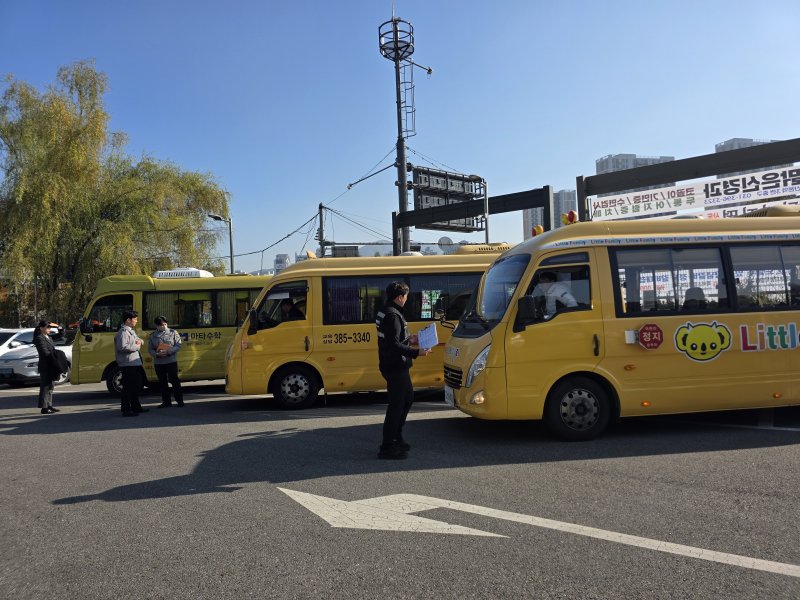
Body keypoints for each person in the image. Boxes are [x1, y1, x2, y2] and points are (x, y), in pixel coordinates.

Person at [376, 281, 431, 460]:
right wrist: (417, 352)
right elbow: (393, 345)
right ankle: (387, 446)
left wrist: (411, 339)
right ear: (400, 297)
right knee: (396, 406)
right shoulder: (393, 316)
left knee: (407, 399)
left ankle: (396, 437)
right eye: (406, 296)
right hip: (395, 366)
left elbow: (395, 339)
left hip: (395, 365)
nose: (407, 299)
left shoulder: (386, 311)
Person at [114, 310, 148, 417]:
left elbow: (139, 340)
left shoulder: (131, 331)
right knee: (128, 388)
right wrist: (137, 346)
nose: (136, 321)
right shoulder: (123, 332)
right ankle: (126, 409)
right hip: (127, 363)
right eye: (135, 319)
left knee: (135, 387)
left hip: (134, 363)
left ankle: (136, 407)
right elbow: (122, 347)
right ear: (128, 320)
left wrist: (140, 342)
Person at [148, 316, 183, 408]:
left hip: (171, 361)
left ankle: (179, 400)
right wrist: (156, 354)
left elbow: (178, 345)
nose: (164, 326)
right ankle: (166, 402)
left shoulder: (173, 332)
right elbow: (150, 349)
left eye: (165, 324)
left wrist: (168, 351)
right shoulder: (152, 336)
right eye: (162, 325)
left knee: (174, 381)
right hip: (159, 362)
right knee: (162, 382)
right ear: (156, 326)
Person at [33, 320, 60, 414]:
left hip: (51, 364)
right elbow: (44, 352)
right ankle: (44, 408)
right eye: (47, 327)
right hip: (45, 365)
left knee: (51, 386)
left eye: (50, 327)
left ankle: (49, 405)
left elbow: (61, 335)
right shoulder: (39, 338)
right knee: (45, 387)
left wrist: (58, 326)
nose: (49, 329)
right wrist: (54, 355)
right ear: (41, 328)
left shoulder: (48, 337)